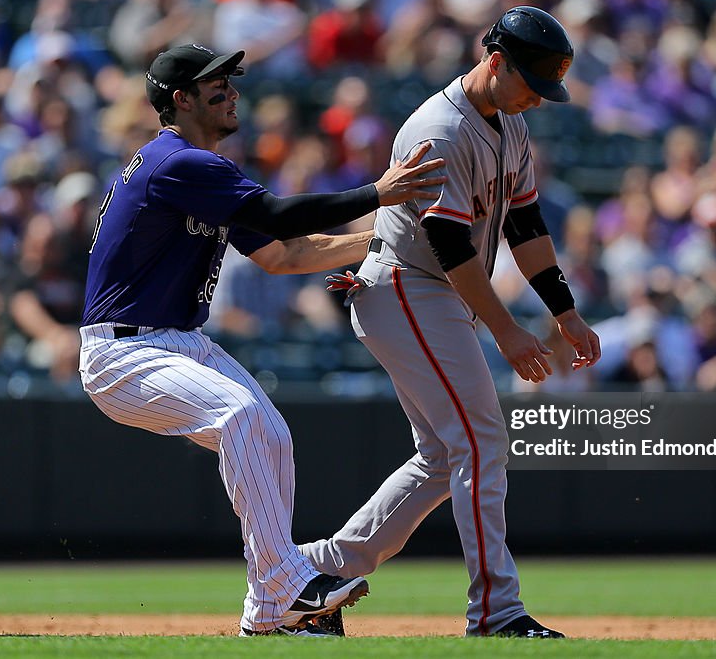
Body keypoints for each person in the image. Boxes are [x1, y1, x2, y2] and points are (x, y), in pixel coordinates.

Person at [77, 43, 444, 637]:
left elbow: (283, 253)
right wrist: (380, 193)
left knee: (269, 431)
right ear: (181, 99)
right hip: (123, 351)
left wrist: (384, 240)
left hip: (174, 341)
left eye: (230, 82)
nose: (230, 91)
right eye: (214, 84)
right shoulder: (177, 162)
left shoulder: (201, 173)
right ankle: (288, 585)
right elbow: (277, 217)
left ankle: (269, 611)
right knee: (243, 416)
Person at [300, 7, 601, 638]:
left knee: (443, 455)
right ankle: (496, 611)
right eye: (531, 84)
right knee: (482, 439)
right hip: (410, 285)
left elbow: (526, 227)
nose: (537, 100)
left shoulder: (509, 124)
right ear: (495, 61)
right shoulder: (439, 129)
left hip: (435, 292)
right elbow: (451, 247)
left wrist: (565, 314)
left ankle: (317, 572)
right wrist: (507, 331)